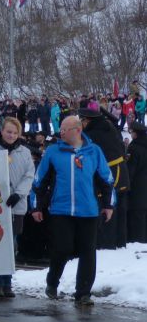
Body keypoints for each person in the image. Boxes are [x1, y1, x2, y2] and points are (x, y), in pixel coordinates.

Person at [31, 116, 114, 306]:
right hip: (61, 210)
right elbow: (39, 182)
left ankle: (83, 293)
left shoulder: (94, 151)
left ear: (77, 130)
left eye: (64, 129)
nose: (61, 133)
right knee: (62, 248)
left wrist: (109, 205)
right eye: (60, 130)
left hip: (89, 211)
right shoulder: (53, 152)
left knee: (88, 251)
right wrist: (36, 206)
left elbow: (106, 180)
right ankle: (52, 282)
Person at [0, 118, 35, 298]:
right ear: (2, 131)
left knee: (12, 245)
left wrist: (19, 193)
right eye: (8, 131)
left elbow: (29, 175)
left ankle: (8, 282)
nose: (11, 135)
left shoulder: (25, 152)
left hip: (16, 204)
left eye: (15, 132)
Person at [78, 108, 129, 249]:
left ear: (86, 120)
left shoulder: (92, 134)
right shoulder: (109, 127)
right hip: (120, 172)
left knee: (106, 207)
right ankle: (120, 242)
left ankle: (106, 245)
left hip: (108, 173)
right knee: (119, 210)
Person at [127, 122, 147, 243]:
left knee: (136, 217)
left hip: (137, 188)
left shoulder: (134, 148)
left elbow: (130, 171)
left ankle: (137, 241)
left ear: (135, 134)